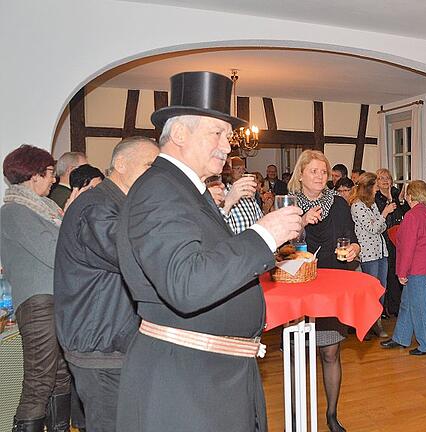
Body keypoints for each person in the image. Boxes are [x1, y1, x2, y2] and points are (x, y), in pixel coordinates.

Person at [115, 71, 303, 432]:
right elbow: (186, 284)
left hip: (209, 374)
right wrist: (263, 235)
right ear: (180, 134)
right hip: (186, 384)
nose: (227, 145)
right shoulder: (160, 190)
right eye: (216, 133)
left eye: (227, 136)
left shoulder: (185, 190)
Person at [54, 136, 160, 432]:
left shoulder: (118, 204)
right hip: (100, 346)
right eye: (149, 165)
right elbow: (133, 257)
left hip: (115, 342)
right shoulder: (97, 206)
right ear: (121, 164)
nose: (156, 174)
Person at [2, 145, 80, 432]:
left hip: (55, 301)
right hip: (38, 303)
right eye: (48, 173)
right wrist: (70, 218)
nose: (53, 180)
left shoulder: (46, 210)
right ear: (32, 175)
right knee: (39, 381)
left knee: (60, 377)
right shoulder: (14, 211)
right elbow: (54, 252)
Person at [288, 150, 360, 432]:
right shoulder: (290, 205)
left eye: (323, 171)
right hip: (299, 288)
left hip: (332, 287)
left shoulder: (340, 205)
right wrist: (303, 221)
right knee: (297, 357)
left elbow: (352, 240)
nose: (320, 176)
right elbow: (279, 247)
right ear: (301, 174)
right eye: (314, 171)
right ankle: (297, 414)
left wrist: (354, 249)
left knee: (330, 353)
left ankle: (331, 415)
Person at [381, 180, 426, 355]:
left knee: (419, 308)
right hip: (425, 266)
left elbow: (407, 247)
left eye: (406, 193)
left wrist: (401, 272)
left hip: (416, 268)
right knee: (407, 304)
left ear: (410, 196)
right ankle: (401, 338)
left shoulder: (412, 216)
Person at [350, 172, 395, 338]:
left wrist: (380, 219)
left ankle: (376, 322)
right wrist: (384, 214)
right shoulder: (357, 206)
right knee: (369, 291)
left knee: (381, 289)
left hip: (380, 251)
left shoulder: (372, 204)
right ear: (368, 188)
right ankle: (366, 325)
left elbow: (380, 227)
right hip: (368, 254)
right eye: (375, 186)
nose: (377, 189)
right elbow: (373, 228)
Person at [374, 168, 410, 316]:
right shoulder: (375, 198)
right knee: (384, 274)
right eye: (381, 178)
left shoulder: (396, 194)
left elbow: (405, 212)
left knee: (396, 272)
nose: (385, 181)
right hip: (383, 238)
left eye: (387, 177)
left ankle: (396, 308)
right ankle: (383, 309)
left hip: (398, 238)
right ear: (376, 181)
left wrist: (399, 200)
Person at [221, 156, 262, 234]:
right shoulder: (222, 192)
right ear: (229, 170)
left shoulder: (248, 192)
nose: (241, 171)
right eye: (238, 168)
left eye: (243, 169)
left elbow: (259, 219)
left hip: (250, 241)